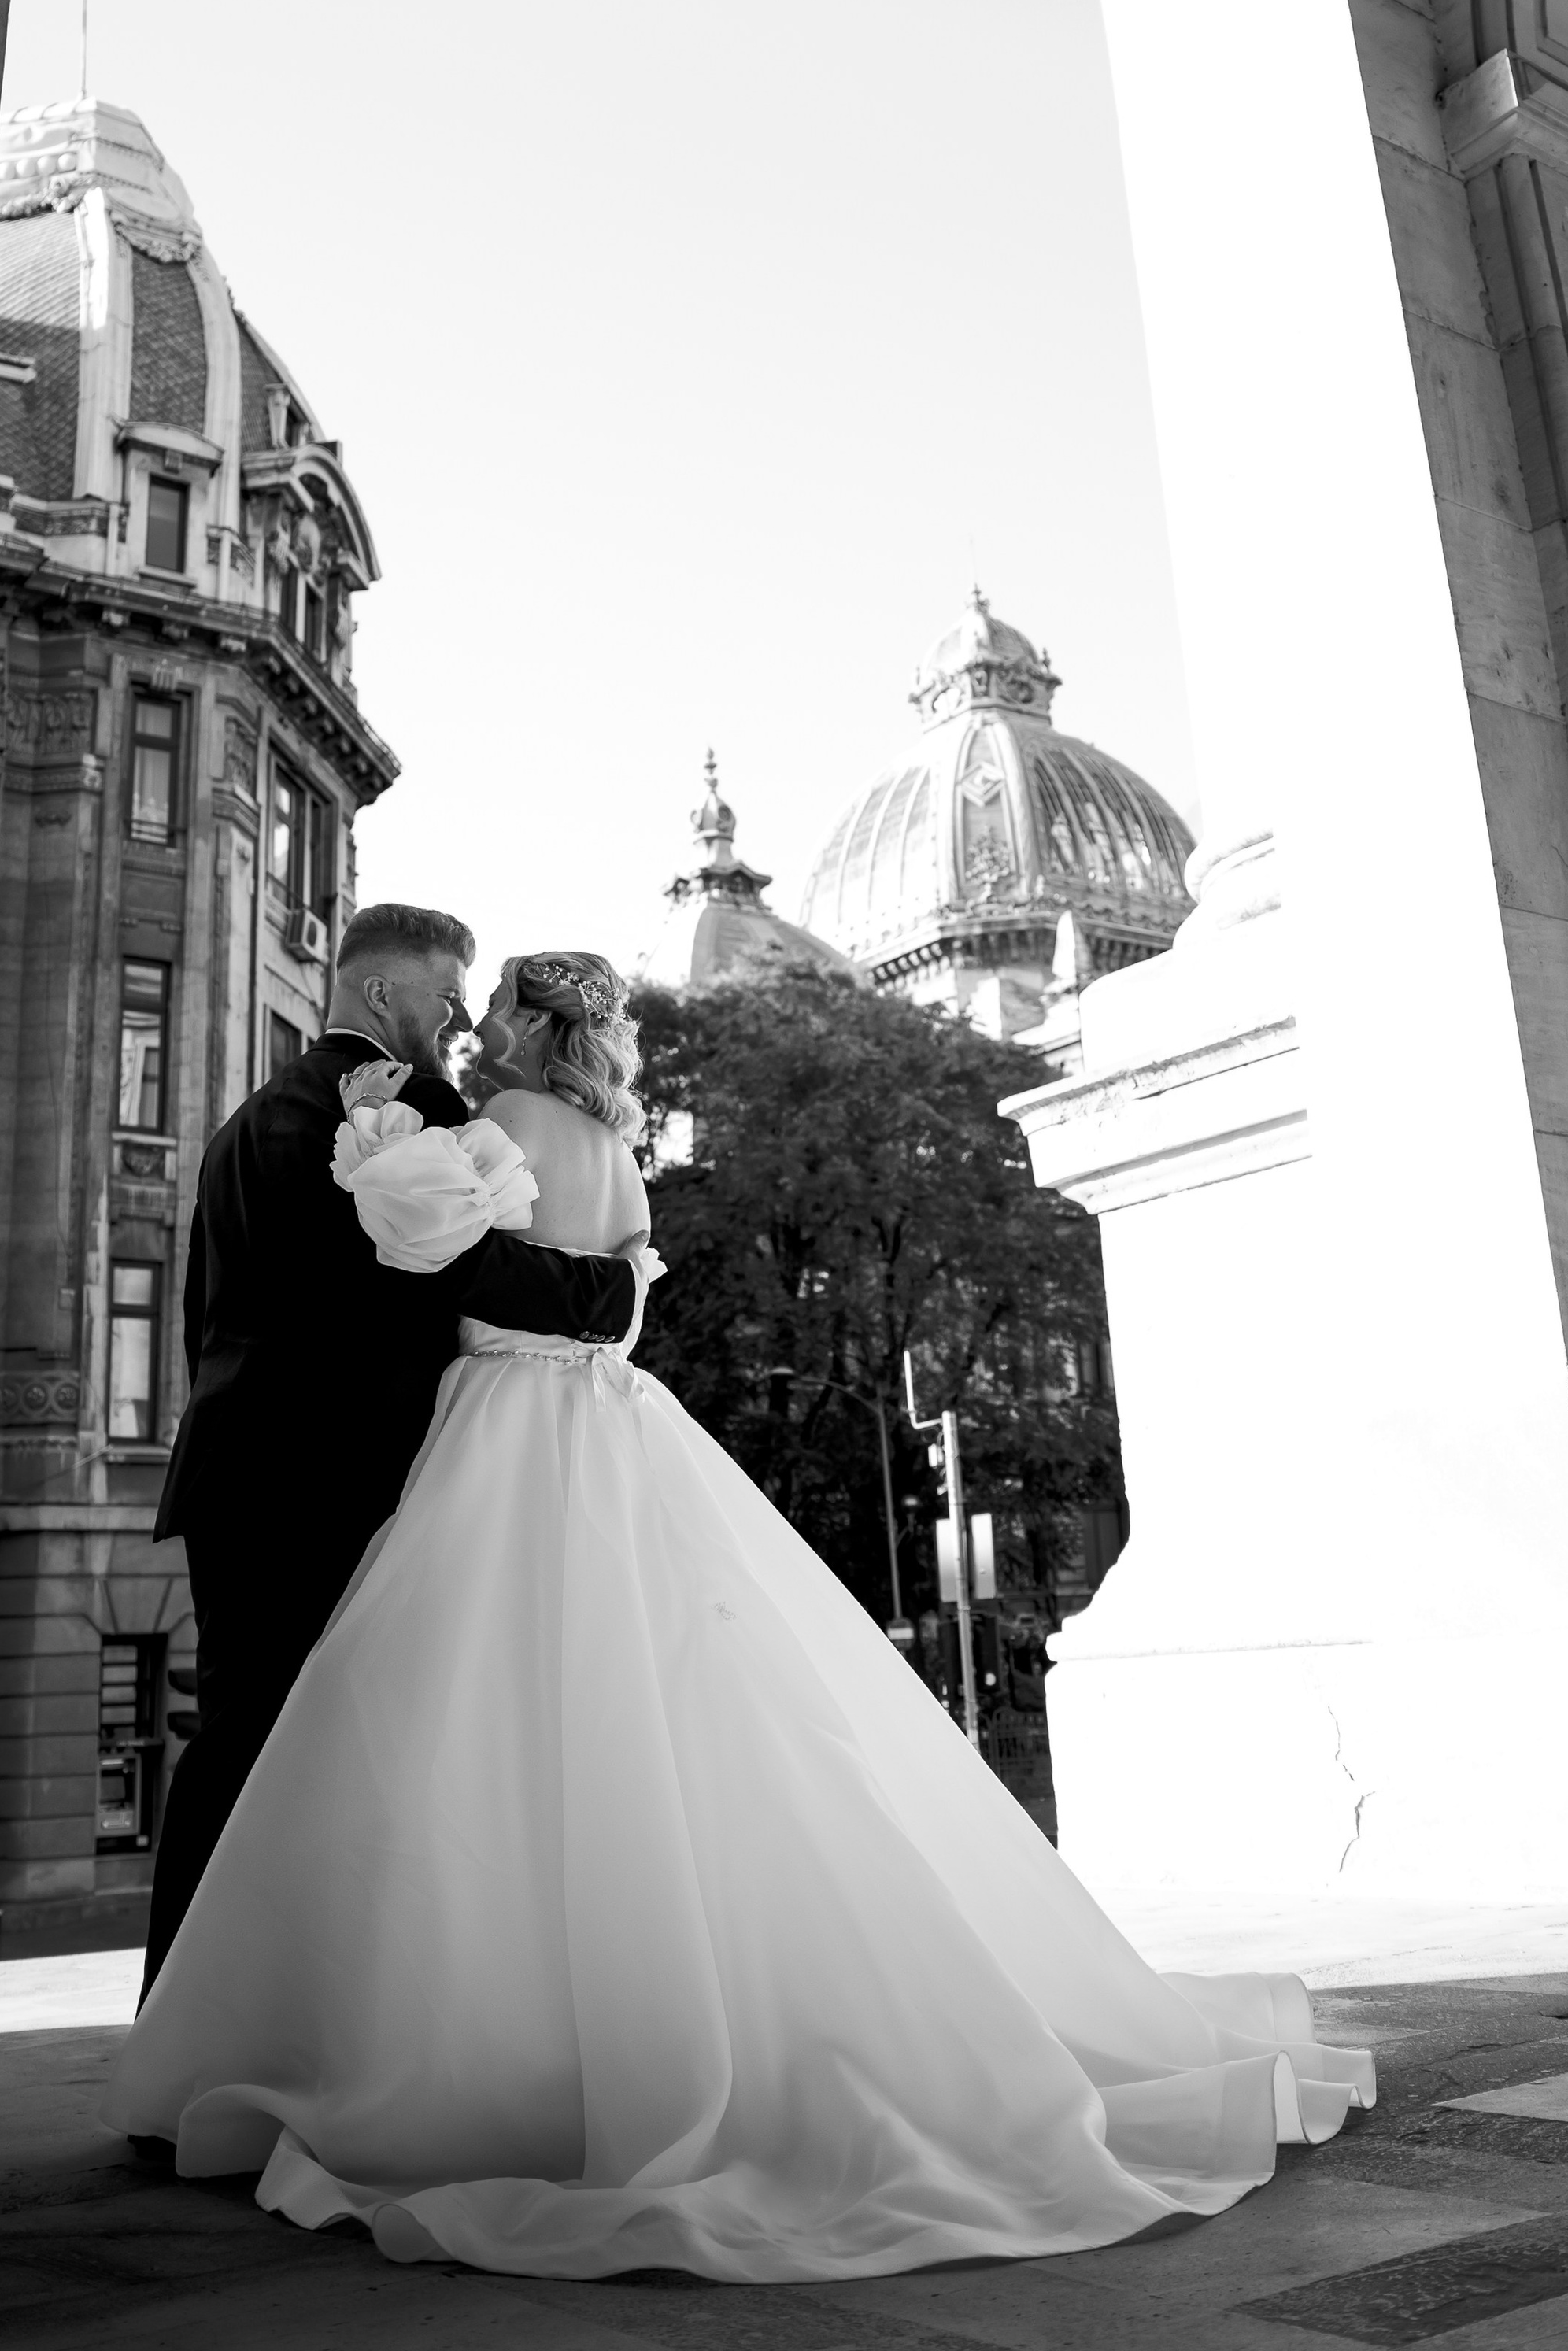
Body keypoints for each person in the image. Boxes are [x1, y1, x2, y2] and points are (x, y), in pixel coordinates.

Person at [111, 950, 1372, 2281]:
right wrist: (574, 1283)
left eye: (490, 1014)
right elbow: (619, 1295)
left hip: (498, 1435)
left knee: (448, 1730)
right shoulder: (607, 1138)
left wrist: (415, 1190)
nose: (466, 1033)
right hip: (604, 1422)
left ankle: (407, 2028)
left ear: (532, 1029)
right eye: (452, 1003)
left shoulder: (490, 1131)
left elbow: (449, 1275)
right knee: (658, 1711)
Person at [139, 905, 639, 1994]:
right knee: (313, 1755)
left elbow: (206, 1323)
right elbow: (456, 1267)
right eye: (445, 990)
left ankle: (187, 2024)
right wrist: (615, 1289)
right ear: (381, 994)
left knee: (235, 1743)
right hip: (331, 1481)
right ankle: (265, 2023)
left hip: (234, 1476)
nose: (459, 1015)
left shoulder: (245, 1121)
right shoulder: (401, 1107)